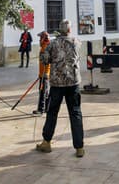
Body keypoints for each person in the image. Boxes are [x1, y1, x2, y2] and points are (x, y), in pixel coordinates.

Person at [36, 19, 84, 157]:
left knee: (52, 113)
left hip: (57, 84)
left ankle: (46, 142)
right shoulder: (76, 42)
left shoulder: (53, 43)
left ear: (59, 29)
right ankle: (79, 148)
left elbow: (44, 60)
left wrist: (43, 46)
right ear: (69, 30)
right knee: (75, 114)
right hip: (73, 83)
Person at [32, 31, 51, 115]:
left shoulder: (45, 47)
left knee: (42, 91)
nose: (39, 40)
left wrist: (43, 74)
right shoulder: (44, 45)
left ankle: (41, 109)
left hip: (44, 74)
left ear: (43, 38)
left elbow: (46, 61)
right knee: (45, 91)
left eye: (40, 38)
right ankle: (47, 108)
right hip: (43, 73)